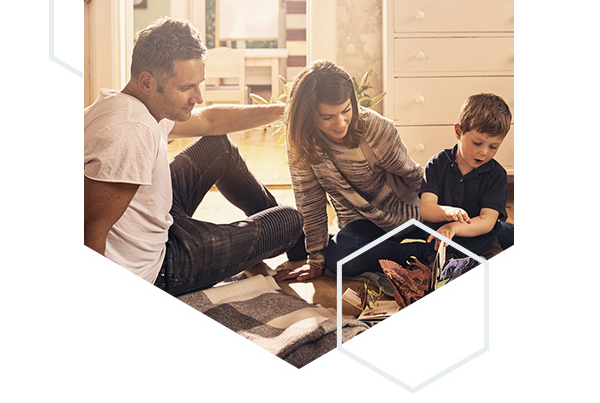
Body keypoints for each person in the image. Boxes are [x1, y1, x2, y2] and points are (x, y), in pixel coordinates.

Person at [84, 17, 303, 297]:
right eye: (187, 87)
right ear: (147, 81)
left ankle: (292, 245)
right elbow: (92, 228)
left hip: (156, 222)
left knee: (217, 146)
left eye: (199, 84)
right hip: (157, 267)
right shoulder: (130, 133)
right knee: (290, 220)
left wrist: (282, 111)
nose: (198, 97)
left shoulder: (131, 103)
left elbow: (210, 121)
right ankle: (294, 241)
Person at [275, 60, 426, 282]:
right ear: (308, 114)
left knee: (489, 233)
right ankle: (425, 255)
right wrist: (316, 260)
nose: (340, 123)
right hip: (362, 226)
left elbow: (414, 177)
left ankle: (429, 249)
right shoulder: (302, 140)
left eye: (346, 110)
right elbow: (309, 200)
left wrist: (447, 213)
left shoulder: (375, 128)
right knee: (339, 258)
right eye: (327, 117)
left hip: (409, 216)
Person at [419, 93, 514, 258]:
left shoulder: (497, 174)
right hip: (443, 247)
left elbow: (487, 221)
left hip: (485, 247)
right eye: (477, 143)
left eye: (493, 147)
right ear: (458, 131)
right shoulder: (437, 164)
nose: (484, 152)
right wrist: (446, 212)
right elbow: (426, 209)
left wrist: (453, 227)